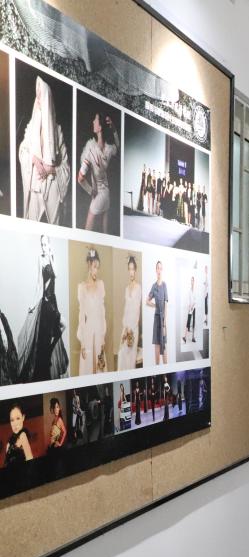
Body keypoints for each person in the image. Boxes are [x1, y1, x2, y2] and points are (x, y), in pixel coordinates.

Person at [17, 235, 69, 382]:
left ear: (49, 245)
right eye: (42, 244)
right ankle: (44, 361)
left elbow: (56, 274)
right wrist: (33, 304)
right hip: (46, 303)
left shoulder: (52, 257)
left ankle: (48, 352)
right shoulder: (40, 259)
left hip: (53, 301)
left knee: (62, 325)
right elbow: (39, 284)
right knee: (45, 338)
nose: (43, 247)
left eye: (46, 244)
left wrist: (51, 256)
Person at [19, 76, 70, 224]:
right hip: (35, 184)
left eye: (41, 96)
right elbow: (23, 150)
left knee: (54, 225)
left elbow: (65, 167)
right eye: (37, 96)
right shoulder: (31, 127)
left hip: (52, 186)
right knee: (31, 224)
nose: (38, 100)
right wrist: (34, 159)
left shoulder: (57, 131)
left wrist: (50, 169)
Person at [77, 112, 119, 231]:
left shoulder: (90, 150)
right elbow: (118, 145)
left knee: (87, 230)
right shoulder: (109, 149)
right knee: (105, 232)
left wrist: (91, 191)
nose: (93, 121)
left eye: (95, 120)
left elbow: (80, 178)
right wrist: (113, 128)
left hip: (99, 195)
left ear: (99, 128)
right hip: (107, 193)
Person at [76, 248, 107, 375]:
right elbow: (81, 316)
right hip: (88, 331)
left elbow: (102, 313)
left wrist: (103, 336)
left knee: (99, 365)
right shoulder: (82, 287)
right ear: (89, 265)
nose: (96, 271)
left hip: (99, 330)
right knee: (88, 367)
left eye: (98, 267)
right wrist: (83, 343)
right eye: (94, 267)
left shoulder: (101, 285)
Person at [118, 256, 142, 370]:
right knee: (121, 353)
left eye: (133, 269)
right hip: (126, 326)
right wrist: (125, 328)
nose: (131, 272)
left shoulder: (138, 287)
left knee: (130, 357)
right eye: (129, 269)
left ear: (135, 270)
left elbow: (137, 310)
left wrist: (131, 329)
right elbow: (126, 310)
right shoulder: (127, 289)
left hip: (133, 328)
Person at [146, 260, 169, 364]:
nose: (159, 270)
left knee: (164, 345)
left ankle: (166, 370)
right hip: (156, 319)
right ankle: (157, 369)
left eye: (160, 268)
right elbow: (147, 301)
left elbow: (166, 305)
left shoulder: (164, 285)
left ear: (162, 270)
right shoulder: (154, 286)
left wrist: (164, 323)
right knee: (157, 345)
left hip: (163, 319)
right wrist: (155, 305)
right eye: (157, 268)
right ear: (156, 270)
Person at [183, 275, 196, 344]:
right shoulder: (189, 290)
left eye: (192, 280)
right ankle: (185, 337)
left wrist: (192, 306)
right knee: (188, 321)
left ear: (194, 281)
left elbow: (195, 300)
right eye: (191, 280)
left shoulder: (195, 290)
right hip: (190, 308)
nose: (192, 282)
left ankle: (193, 337)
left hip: (194, 308)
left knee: (193, 322)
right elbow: (189, 299)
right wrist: (189, 306)